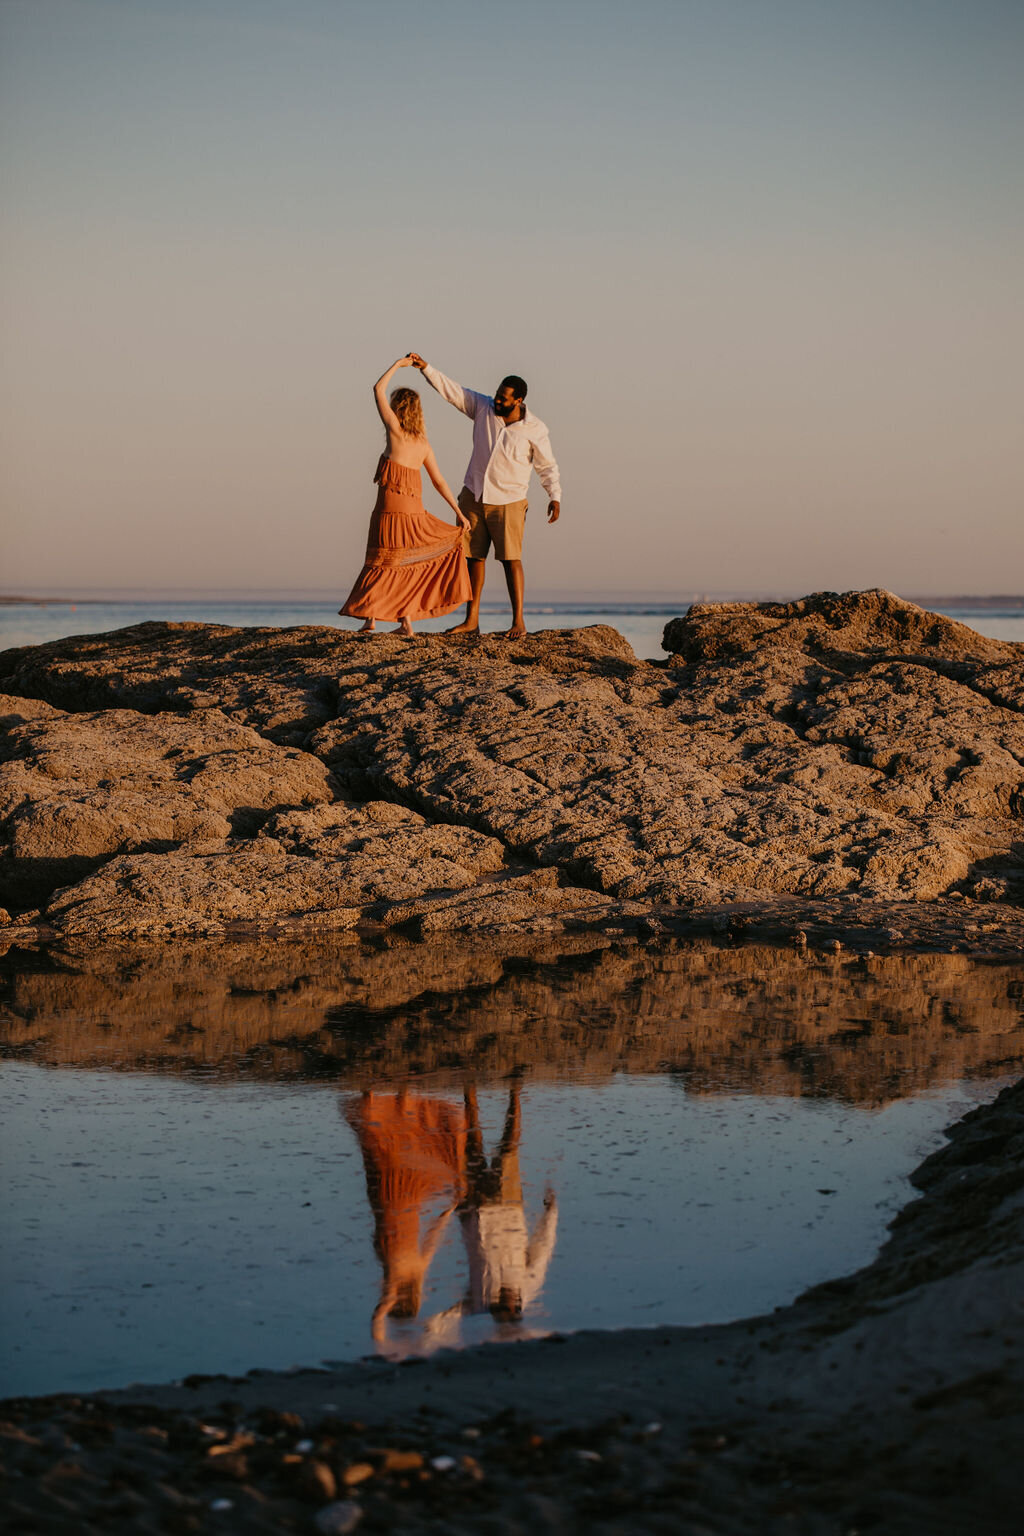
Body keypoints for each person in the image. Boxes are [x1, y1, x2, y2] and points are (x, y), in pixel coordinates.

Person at [408, 354, 561, 639]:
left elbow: (547, 464)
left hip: (509, 501)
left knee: (510, 559)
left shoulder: (535, 429)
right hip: (473, 496)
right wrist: (426, 368)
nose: (497, 401)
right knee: (472, 558)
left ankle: (518, 622)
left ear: (519, 401)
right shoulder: (482, 407)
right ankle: (472, 621)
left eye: (504, 398)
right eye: (497, 395)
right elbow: (452, 391)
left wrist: (554, 495)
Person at [339, 357, 471, 637]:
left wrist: (398, 364)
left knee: (380, 561)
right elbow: (439, 481)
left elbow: (377, 389)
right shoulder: (423, 444)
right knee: (406, 566)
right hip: (414, 515)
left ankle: (371, 619)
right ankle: (406, 622)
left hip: (388, 512)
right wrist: (458, 514)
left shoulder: (395, 432)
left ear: (397, 408)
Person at [344, 1088, 469, 1346]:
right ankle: (381, 1096)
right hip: (389, 1201)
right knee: (379, 1152)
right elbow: (377, 1319)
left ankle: (398, 1096)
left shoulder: (408, 1273)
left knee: (384, 1152)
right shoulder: (401, 1274)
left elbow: (433, 1237)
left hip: (402, 1201)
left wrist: (448, 1211)